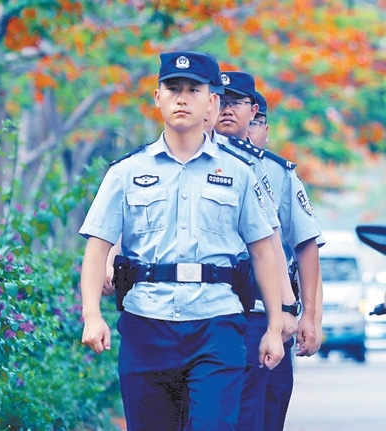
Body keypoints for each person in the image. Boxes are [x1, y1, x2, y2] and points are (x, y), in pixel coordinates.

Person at [79, 51, 284, 431]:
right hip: (146, 323)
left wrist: (274, 326)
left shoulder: (239, 172)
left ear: (211, 101)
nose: (182, 98)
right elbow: (97, 247)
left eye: (193, 90)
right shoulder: (126, 171)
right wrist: (92, 314)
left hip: (217, 324)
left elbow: (263, 252)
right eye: (173, 89)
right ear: (157, 97)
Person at [215, 72, 323, 431]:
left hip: (261, 311)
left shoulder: (274, 171)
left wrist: (308, 315)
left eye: (235, 102)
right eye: (220, 100)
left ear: (253, 112)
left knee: (261, 414)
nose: (226, 109)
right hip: (203, 311)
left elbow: (304, 244)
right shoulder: (182, 162)